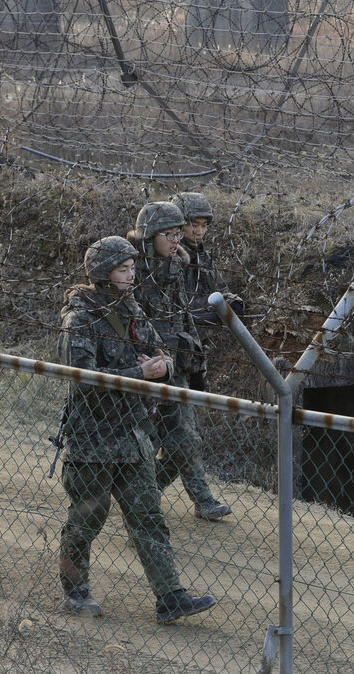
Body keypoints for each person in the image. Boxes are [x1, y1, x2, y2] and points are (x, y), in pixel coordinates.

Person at [57, 235, 217, 624]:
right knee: (87, 518)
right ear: (103, 275)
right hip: (93, 438)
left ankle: (170, 597)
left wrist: (164, 367)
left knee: (148, 518)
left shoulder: (132, 309)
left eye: (132, 269)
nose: (131, 275)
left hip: (133, 436)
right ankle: (76, 591)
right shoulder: (80, 320)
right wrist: (138, 373)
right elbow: (84, 379)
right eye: (123, 270)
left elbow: (162, 352)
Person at [128, 202, 232, 522]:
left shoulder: (176, 267)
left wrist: (194, 362)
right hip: (146, 369)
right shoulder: (135, 273)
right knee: (151, 444)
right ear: (149, 236)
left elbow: (183, 317)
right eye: (169, 234)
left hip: (176, 365)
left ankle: (156, 497)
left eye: (178, 233)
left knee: (186, 439)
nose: (178, 241)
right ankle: (148, 504)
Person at [171, 191, 244, 394]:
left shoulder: (202, 256)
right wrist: (216, 308)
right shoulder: (172, 258)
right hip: (177, 347)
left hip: (198, 346)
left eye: (204, 225)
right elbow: (178, 305)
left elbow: (220, 290)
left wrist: (229, 303)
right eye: (194, 225)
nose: (199, 231)